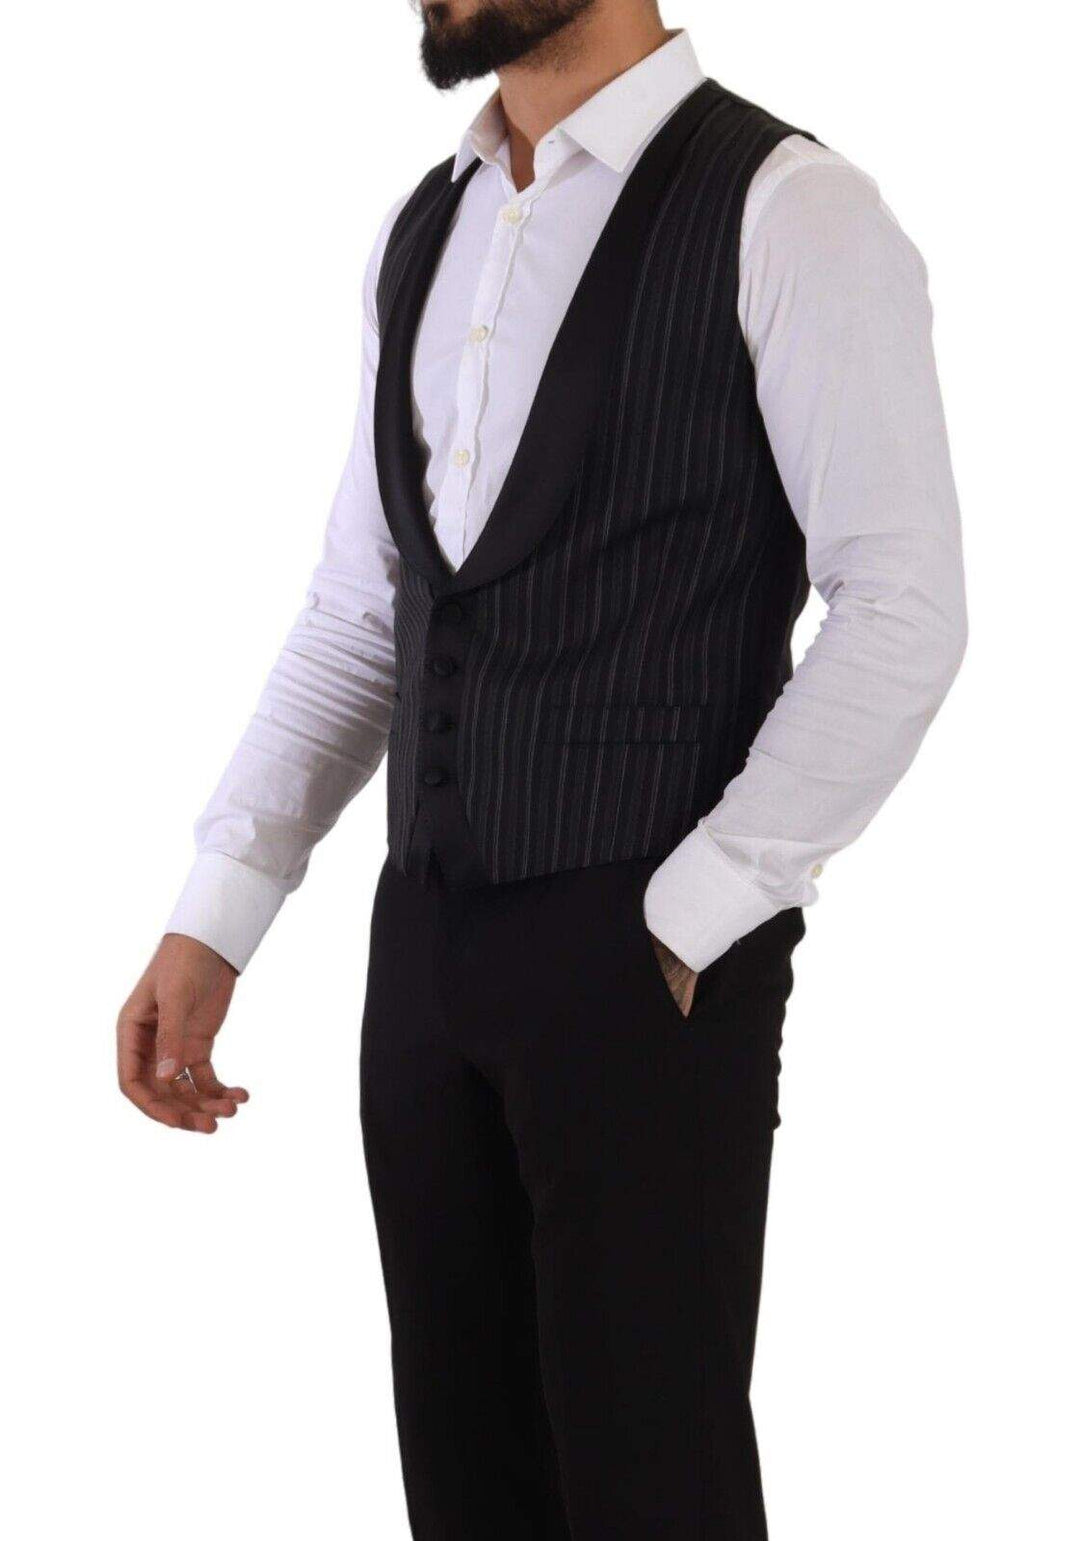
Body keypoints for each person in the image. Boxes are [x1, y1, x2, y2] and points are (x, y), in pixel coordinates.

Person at [116, 3, 967, 1535]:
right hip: (425, 947)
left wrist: (693, 914)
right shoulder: (421, 229)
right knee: (468, 1485)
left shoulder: (791, 210)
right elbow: (365, 607)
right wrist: (215, 910)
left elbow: (904, 605)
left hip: (647, 964)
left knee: (652, 1487)